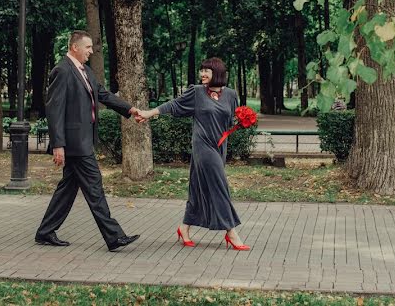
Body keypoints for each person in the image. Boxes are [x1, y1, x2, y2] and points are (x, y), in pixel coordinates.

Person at [35, 30, 141, 252]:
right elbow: (54, 111)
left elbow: (103, 94)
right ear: (75, 47)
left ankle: (45, 232)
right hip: (75, 143)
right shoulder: (62, 71)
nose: (91, 51)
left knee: (67, 189)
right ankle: (114, 237)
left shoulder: (85, 71)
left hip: (82, 141)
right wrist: (58, 145)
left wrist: (129, 109)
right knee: (94, 187)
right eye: (88, 47)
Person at [134, 57, 250, 250]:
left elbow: (230, 119)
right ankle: (231, 232)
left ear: (218, 73)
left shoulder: (230, 94)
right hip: (203, 146)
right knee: (220, 186)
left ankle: (184, 227)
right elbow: (173, 105)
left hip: (220, 146)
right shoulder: (196, 92)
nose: (202, 74)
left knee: (199, 187)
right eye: (201, 70)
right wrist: (148, 113)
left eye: (207, 71)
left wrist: (244, 121)